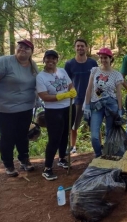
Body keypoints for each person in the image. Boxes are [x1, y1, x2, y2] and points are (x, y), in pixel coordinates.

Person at [0, 39, 37, 177]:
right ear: (16, 48)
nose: (22, 49)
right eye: (20, 46)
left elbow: (36, 83)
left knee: (22, 135)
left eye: (27, 48)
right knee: (7, 137)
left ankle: (24, 160)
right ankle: (8, 164)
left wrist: (39, 100)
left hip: (25, 108)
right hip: (4, 110)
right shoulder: (3, 62)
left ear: (31, 52)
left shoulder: (32, 65)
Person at [36, 50, 77, 181]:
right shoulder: (41, 77)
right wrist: (61, 96)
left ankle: (62, 159)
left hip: (69, 107)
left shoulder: (62, 71)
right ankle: (47, 168)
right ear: (44, 60)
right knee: (54, 138)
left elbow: (70, 85)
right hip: (54, 111)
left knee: (65, 134)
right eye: (48, 58)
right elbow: (43, 96)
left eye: (53, 58)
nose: (51, 61)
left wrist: (72, 91)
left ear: (56, 60)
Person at [83, 48, 124, 157]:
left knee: (109, 134)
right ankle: (98, 154)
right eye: (101, 58)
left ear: (111, 58)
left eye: (105, 57)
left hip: (111, 106)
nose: (103, 60)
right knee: (94, 136)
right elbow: (89, 88)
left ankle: (107, 155)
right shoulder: (95, 71)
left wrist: (120, 110)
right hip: (96, 105)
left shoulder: (116, 74)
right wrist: (87, 106)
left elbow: (119, 94)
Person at [65, 39, 98, 154]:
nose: (80, 48)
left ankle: (98, 146)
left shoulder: (92, 63)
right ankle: (72, 146)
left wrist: (99, 95)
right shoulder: (69, 64)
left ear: (86, 47)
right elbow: (67, 82)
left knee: (95, 123)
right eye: (78, 46)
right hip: (77, 100)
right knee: (74, 124)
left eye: (82, 46)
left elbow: (97, 80)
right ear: (75, 48)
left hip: (92, 98)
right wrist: (70, 92)